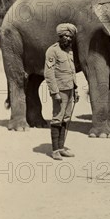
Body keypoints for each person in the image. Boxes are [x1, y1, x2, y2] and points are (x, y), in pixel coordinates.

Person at [44, 23, 79, 160]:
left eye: (70, 37)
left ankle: (61, 147)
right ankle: (55, 151)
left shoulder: (69, 51)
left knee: (66, 118)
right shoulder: (52, 51)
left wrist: (75, 90)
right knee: (57, 118)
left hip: (70, 89)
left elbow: (72, 71)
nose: (69, 39)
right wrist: (55, 92)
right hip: (60, 90)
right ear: (60, 36)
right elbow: (49, 73)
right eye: (66, 36)